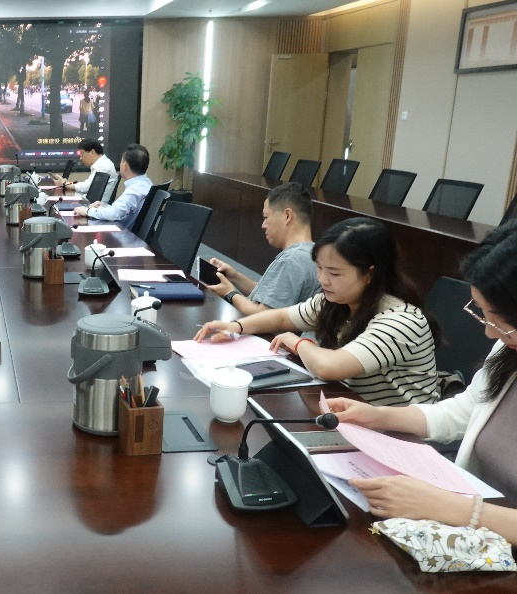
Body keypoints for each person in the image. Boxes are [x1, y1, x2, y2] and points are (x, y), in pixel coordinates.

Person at [324, 222, 517, 541]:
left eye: (501, 321)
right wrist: (378, 416)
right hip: (473, 530)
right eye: (483, 314)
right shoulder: (508, 348)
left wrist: (458, 509)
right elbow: (462, 412)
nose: (489, 332)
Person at [194, 217, 439, 407]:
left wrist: (298, 342)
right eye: (320, 268)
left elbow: (328, 367)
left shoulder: (400, 321)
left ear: (369, 274)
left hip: (401, 436)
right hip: (353, 410)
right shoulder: (338, 300)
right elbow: (282, 317)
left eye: (334, 273)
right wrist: (237, 327)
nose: (322, 279)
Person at [205, 182, 319, 315]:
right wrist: (235, 277)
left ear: (287, 216)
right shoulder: (312, 253)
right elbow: (272, 297)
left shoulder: (291, 260)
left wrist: (229, 293)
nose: (263, 225)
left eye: (266, 217)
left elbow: (264, 315)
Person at [72, 144, 152, 231]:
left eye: (121, 162)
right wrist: (105, 207)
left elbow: (115, 213)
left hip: (122, 234)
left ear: (125, 166)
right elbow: (122, 210)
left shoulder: (135, 189)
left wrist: (88, 211)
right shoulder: (146, 183)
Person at [51, 138, 116, 199]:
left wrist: (64, 184)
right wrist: (68, 183)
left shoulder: (104, 166)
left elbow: (87, 187)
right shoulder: (101, 163)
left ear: (92, 152)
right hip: (90, 202)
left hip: (96, 205)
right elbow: (87, 185)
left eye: (82, 154)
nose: (81, 158)